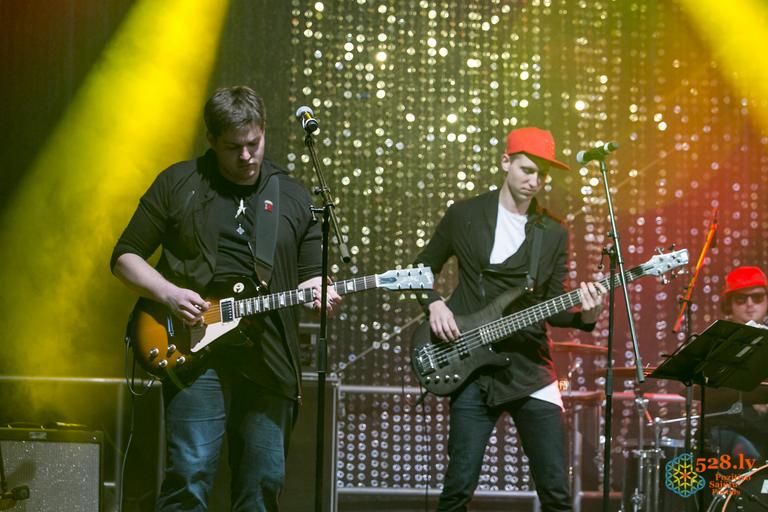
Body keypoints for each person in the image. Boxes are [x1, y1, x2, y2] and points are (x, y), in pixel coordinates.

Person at [111, 85, 341, 511]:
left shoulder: (292, 195)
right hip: (193, 348)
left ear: (264, 131)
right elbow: (125, 256)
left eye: (254, 143)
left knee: (262, 483)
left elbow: (311, 275)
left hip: (268, 356)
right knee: (190, 474)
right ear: (212, 140)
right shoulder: (178, 182)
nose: (247, 156)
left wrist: (316, 290)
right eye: (234, 147)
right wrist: (169, 293)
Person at [413, 126, 607, 512]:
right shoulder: (464, 215)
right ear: (506, 163)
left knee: (556, 492)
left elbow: (555, 305)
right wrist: (434, 304)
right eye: (526, 170)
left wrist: (588, 314)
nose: (534, 182)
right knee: (457, 491)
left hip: (530, 366)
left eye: (541, 175)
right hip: (471, 364)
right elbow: (420, 268)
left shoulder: (552, 232)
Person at [707, 266, 768, 462]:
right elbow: (712, 392)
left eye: (757, 297)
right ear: (729, 304)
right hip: (729, 427)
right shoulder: (715, 341)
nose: (750, 304)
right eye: (741, 299)